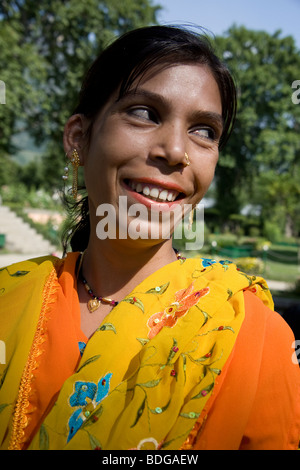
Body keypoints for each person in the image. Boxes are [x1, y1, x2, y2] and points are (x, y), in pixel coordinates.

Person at [0, 25, 299, 451]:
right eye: (144, 112)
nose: (176, 151)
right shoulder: (8, 301)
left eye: (204, 131)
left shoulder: (253, 335)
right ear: (78, 139)